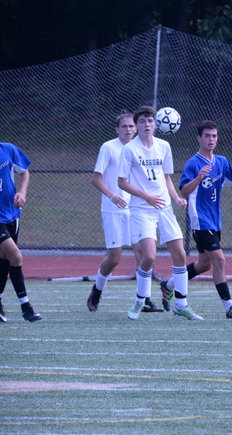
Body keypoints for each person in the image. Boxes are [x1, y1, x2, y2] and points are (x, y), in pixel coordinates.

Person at [158, 120, 232, 318]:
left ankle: (169, 285)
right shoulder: (193, 163)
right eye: (207, 136)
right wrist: (198, 177)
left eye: (214, 136)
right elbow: (184, 191)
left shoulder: (222, 162)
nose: (211, 139)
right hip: (200, 221)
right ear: (199, 138)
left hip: (215, 221)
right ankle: (229, 307)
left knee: (204, 264)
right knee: (219, 260)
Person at [118, 105, 201, 320]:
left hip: (164, 207)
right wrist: (146, 196)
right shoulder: (130, 149)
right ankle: (140, 300)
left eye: (150, 121)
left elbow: (166, 178)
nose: (147, 124)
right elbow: (122, 182)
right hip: (141, 209)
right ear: (136, 125)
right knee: (149, 256)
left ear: (155, 124)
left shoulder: (164, 146)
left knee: (180, 254)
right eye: (142, 121)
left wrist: (177, 198)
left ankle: (181, 305)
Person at [87, 112, 162, 313]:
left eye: (131, 126)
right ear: (117, 129)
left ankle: (144, 299)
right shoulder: (109, 147)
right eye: (124, 126)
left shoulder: (141, 148)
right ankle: (97, 290)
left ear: (136, 128)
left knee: (142, 253)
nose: (128, 130)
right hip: (113, 209)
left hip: (136, 208)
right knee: (114, 258)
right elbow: (96, 179)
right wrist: (112, 195)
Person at [0, 142, 41, 323]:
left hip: (11, 213)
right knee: (15, 257)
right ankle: (26, 307)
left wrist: (22, 193)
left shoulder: (8, 149)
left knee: (4, 259)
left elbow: (24, 172)